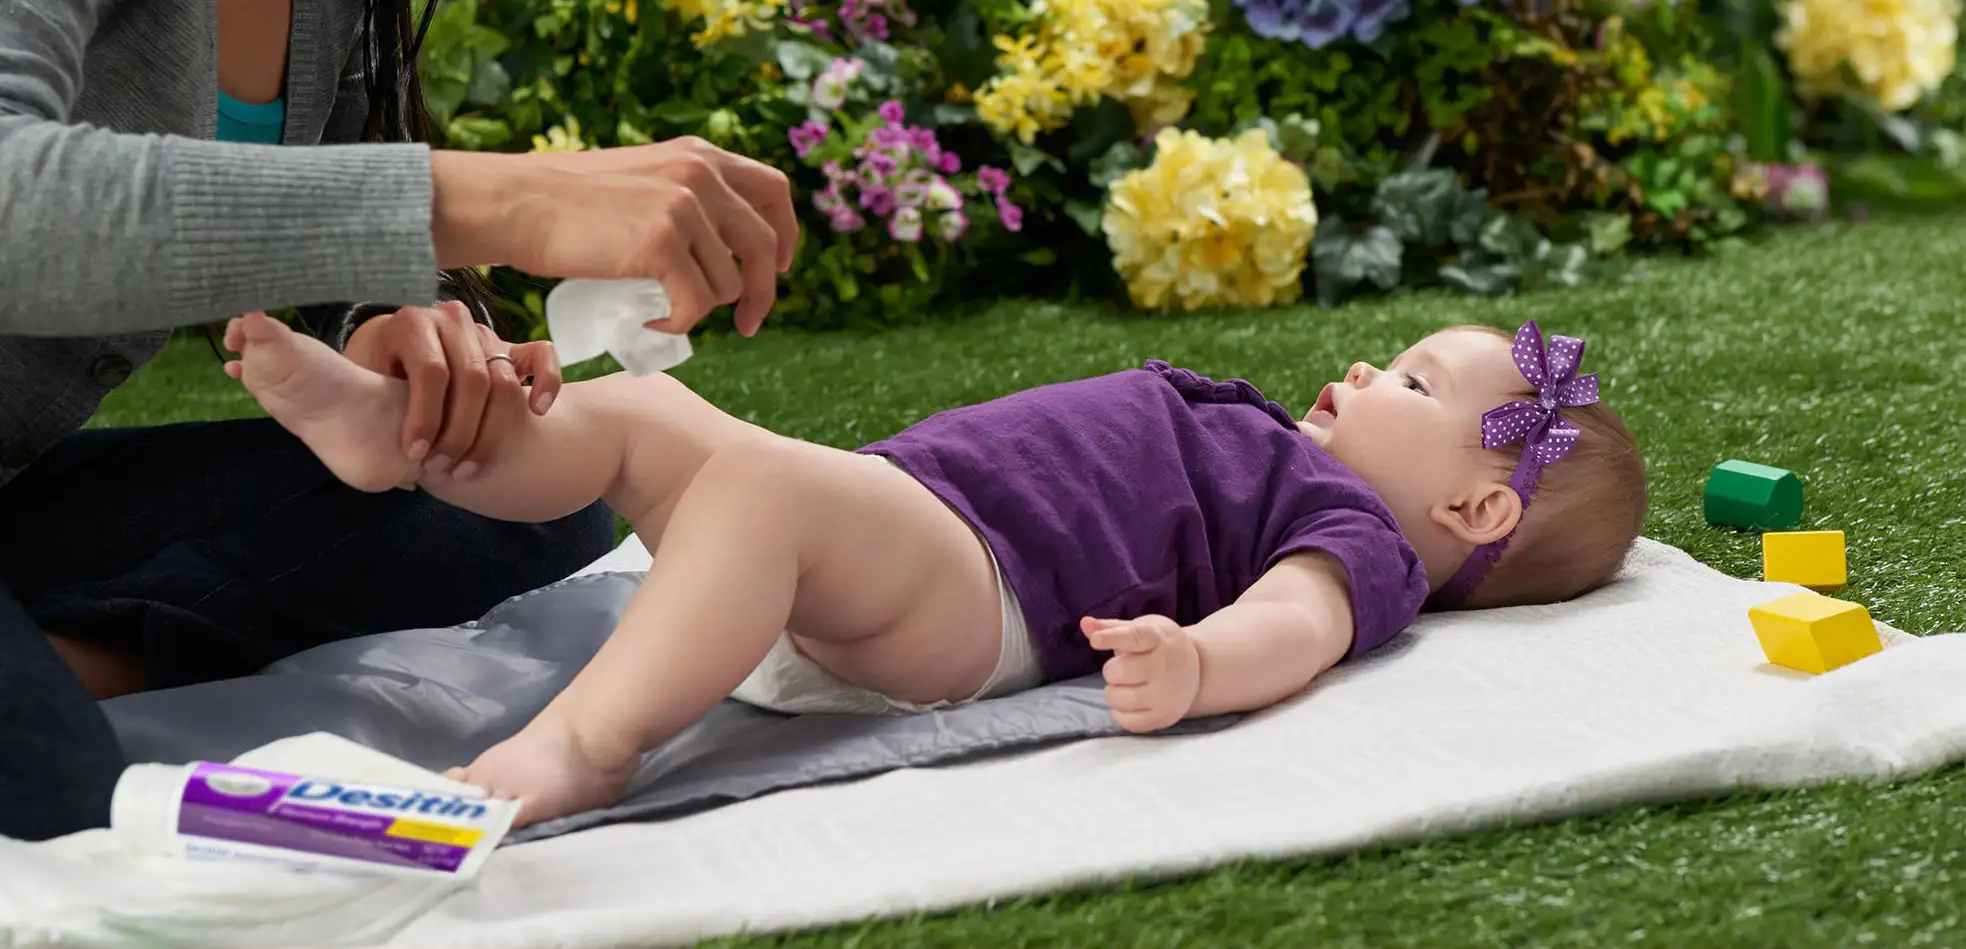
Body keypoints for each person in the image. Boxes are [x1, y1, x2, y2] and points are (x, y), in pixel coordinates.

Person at [0, 0, 799, 841]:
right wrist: (519, 199)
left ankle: (60, 661)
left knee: (502, 495)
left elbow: (347, 180)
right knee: (54, 805)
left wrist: (389, 329)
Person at [223, 312, 1649, 827]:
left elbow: (1301, 621)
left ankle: (581, 746)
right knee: (649, 419)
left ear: (1470, 505)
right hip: (911, 510)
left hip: (979, 592)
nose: (1359, 367)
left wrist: (1200, 661)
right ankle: (403, 440)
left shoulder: (1349, 536)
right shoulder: (1282, 440)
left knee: (759, 485)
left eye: (1406, 375)